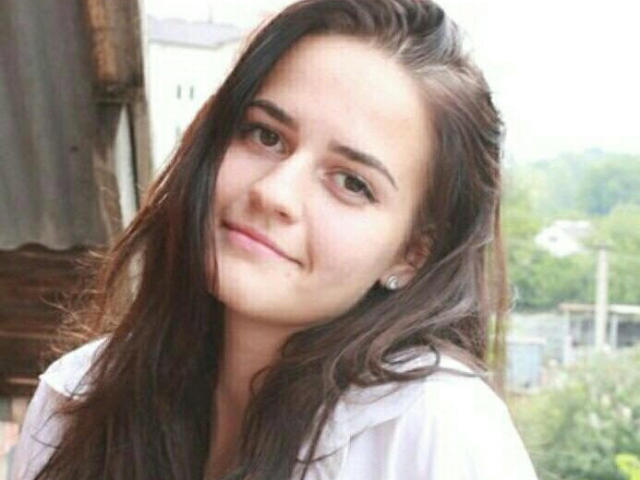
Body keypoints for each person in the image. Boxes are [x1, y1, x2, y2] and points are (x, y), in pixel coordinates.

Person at [11, 0, 539, 479]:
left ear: (411, 254)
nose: (273, 192)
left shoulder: (435, 430)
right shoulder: (76, 399)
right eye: (265, 135)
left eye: (351, 183)